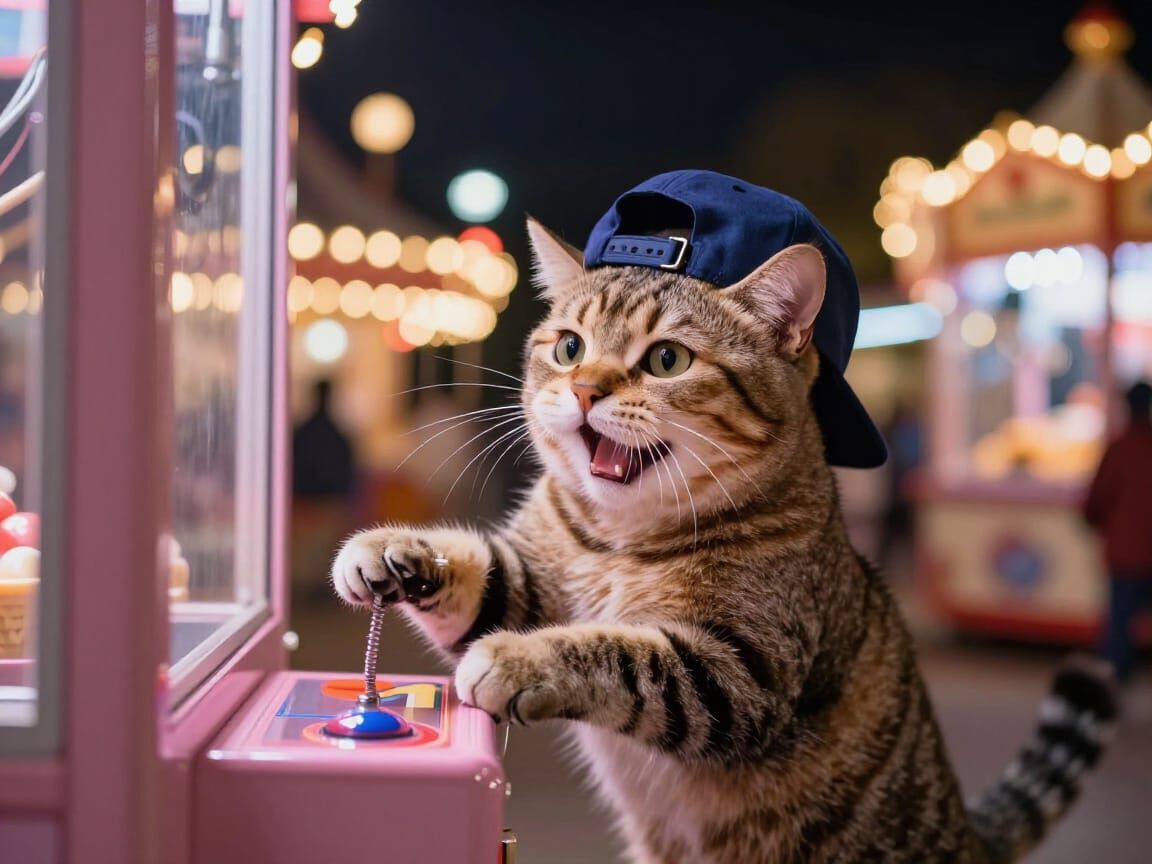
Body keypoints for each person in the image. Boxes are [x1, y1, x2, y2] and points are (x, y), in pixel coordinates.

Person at [1083, 380, 1152, 682]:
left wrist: (1100, 525)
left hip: (1124, 555)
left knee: (1119, 625)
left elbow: (1096, 500)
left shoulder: (1119, 448)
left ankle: (1112, 685)